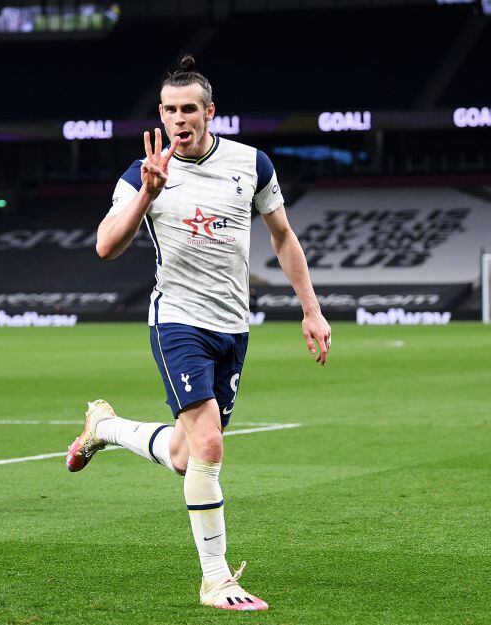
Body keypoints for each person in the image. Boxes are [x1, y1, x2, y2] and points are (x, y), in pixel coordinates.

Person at [64, 56, 331, 611]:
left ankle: (105, 428)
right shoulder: (142, 173)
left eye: (189, 109)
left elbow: (283, 235)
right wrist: (148, 193)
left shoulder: (251, 164)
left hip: (233, 326)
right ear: (160, 115)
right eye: (169, 110)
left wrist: (311, 309)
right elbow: (105, 246)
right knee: (210, 444)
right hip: (177, 320)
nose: (178, 119)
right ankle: (216, 581)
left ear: (210, 112)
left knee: (189, 457)